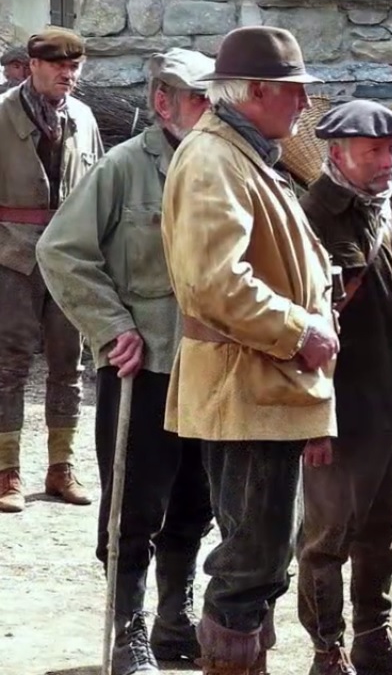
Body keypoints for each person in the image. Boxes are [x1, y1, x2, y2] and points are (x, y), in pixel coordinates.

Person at [159, 25, 339, 675]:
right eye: (294, 91)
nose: (305, 105)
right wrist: (300, 330)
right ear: (257, 90)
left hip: (262, 388)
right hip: (246, 388)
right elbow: (214, 282)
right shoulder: (215, 158)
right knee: (249, 563)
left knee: (264, 559)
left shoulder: (246, 154)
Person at [36, 48, 217, 673]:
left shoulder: (221, 169)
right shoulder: (122, 168)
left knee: (196, 500)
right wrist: (111, 326)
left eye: (214, 97)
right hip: (143, 368)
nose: (210, 109)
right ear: (163, 101)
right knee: (132, 508)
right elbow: (61, 250)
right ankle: (128, 629)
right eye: (198, 97)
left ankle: (174, 621)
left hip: (210, 368)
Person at [296, 100, 392, 675]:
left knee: (385, 527)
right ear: (337, 154)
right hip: (339, 409)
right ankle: (327, 651)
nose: (388, 162)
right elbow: (295, 328)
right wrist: (311, 419)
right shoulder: (311, 217)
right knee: (328, 536)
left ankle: (373, 641)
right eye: (374, 151)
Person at [0, 26, 104, 513]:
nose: (68, 74)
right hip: (10, 256)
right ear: (33, 65)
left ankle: (61, 467)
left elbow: (96, 186)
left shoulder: (83, 118)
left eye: (74, 67)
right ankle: (6, 470)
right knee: (8, 365)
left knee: (70, 365)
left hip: (69, 259)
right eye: (59, 66)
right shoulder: (2, 114)